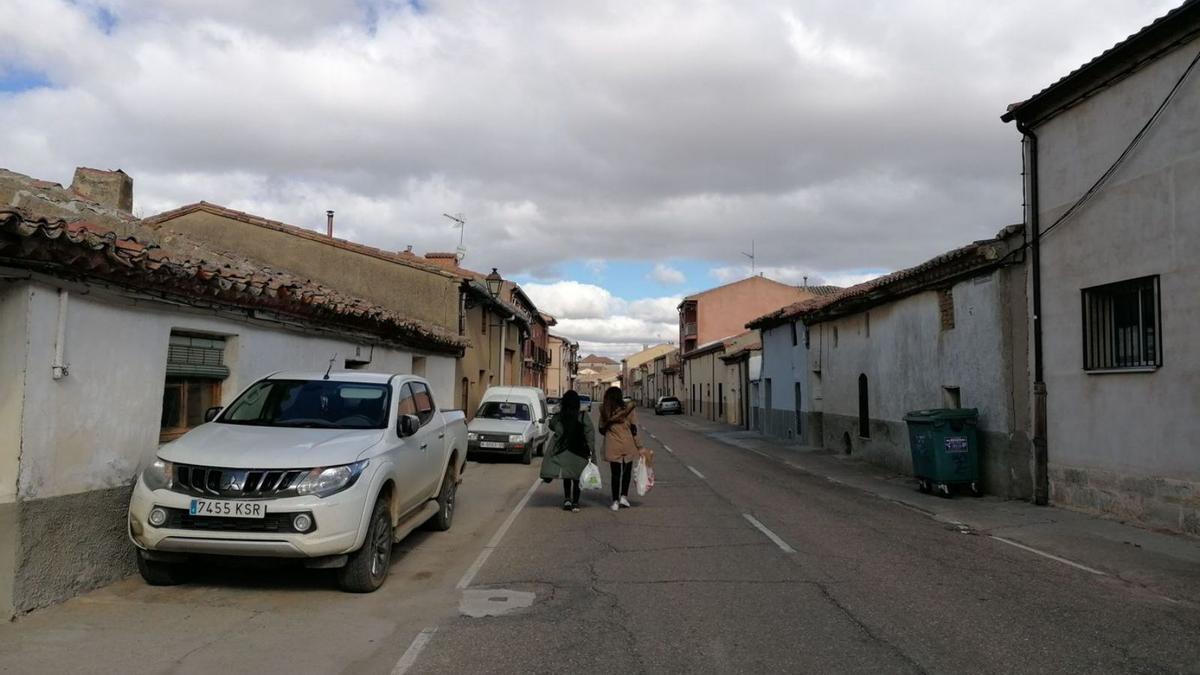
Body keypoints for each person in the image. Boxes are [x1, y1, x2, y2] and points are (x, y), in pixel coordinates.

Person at [540, 390, 595, 512]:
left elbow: (552, 426)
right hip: (579, 451)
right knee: (577, 478)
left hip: (564, 450)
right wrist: (590, 450)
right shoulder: (583, 415)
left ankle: (567, 500)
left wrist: (557, 411)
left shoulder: (560, 416)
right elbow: (589, 433)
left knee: (567, 477)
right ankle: (575, 502)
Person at [599, 386, 643, 511]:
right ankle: (624, 496)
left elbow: (601, 429)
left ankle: (615, 501)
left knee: (615, 474)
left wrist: (610, 429)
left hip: (612, 445)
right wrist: (639, 446)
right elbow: (634, 429)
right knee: (626, 472)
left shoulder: (605, 411)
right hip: (627, 444)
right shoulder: (628, 410)